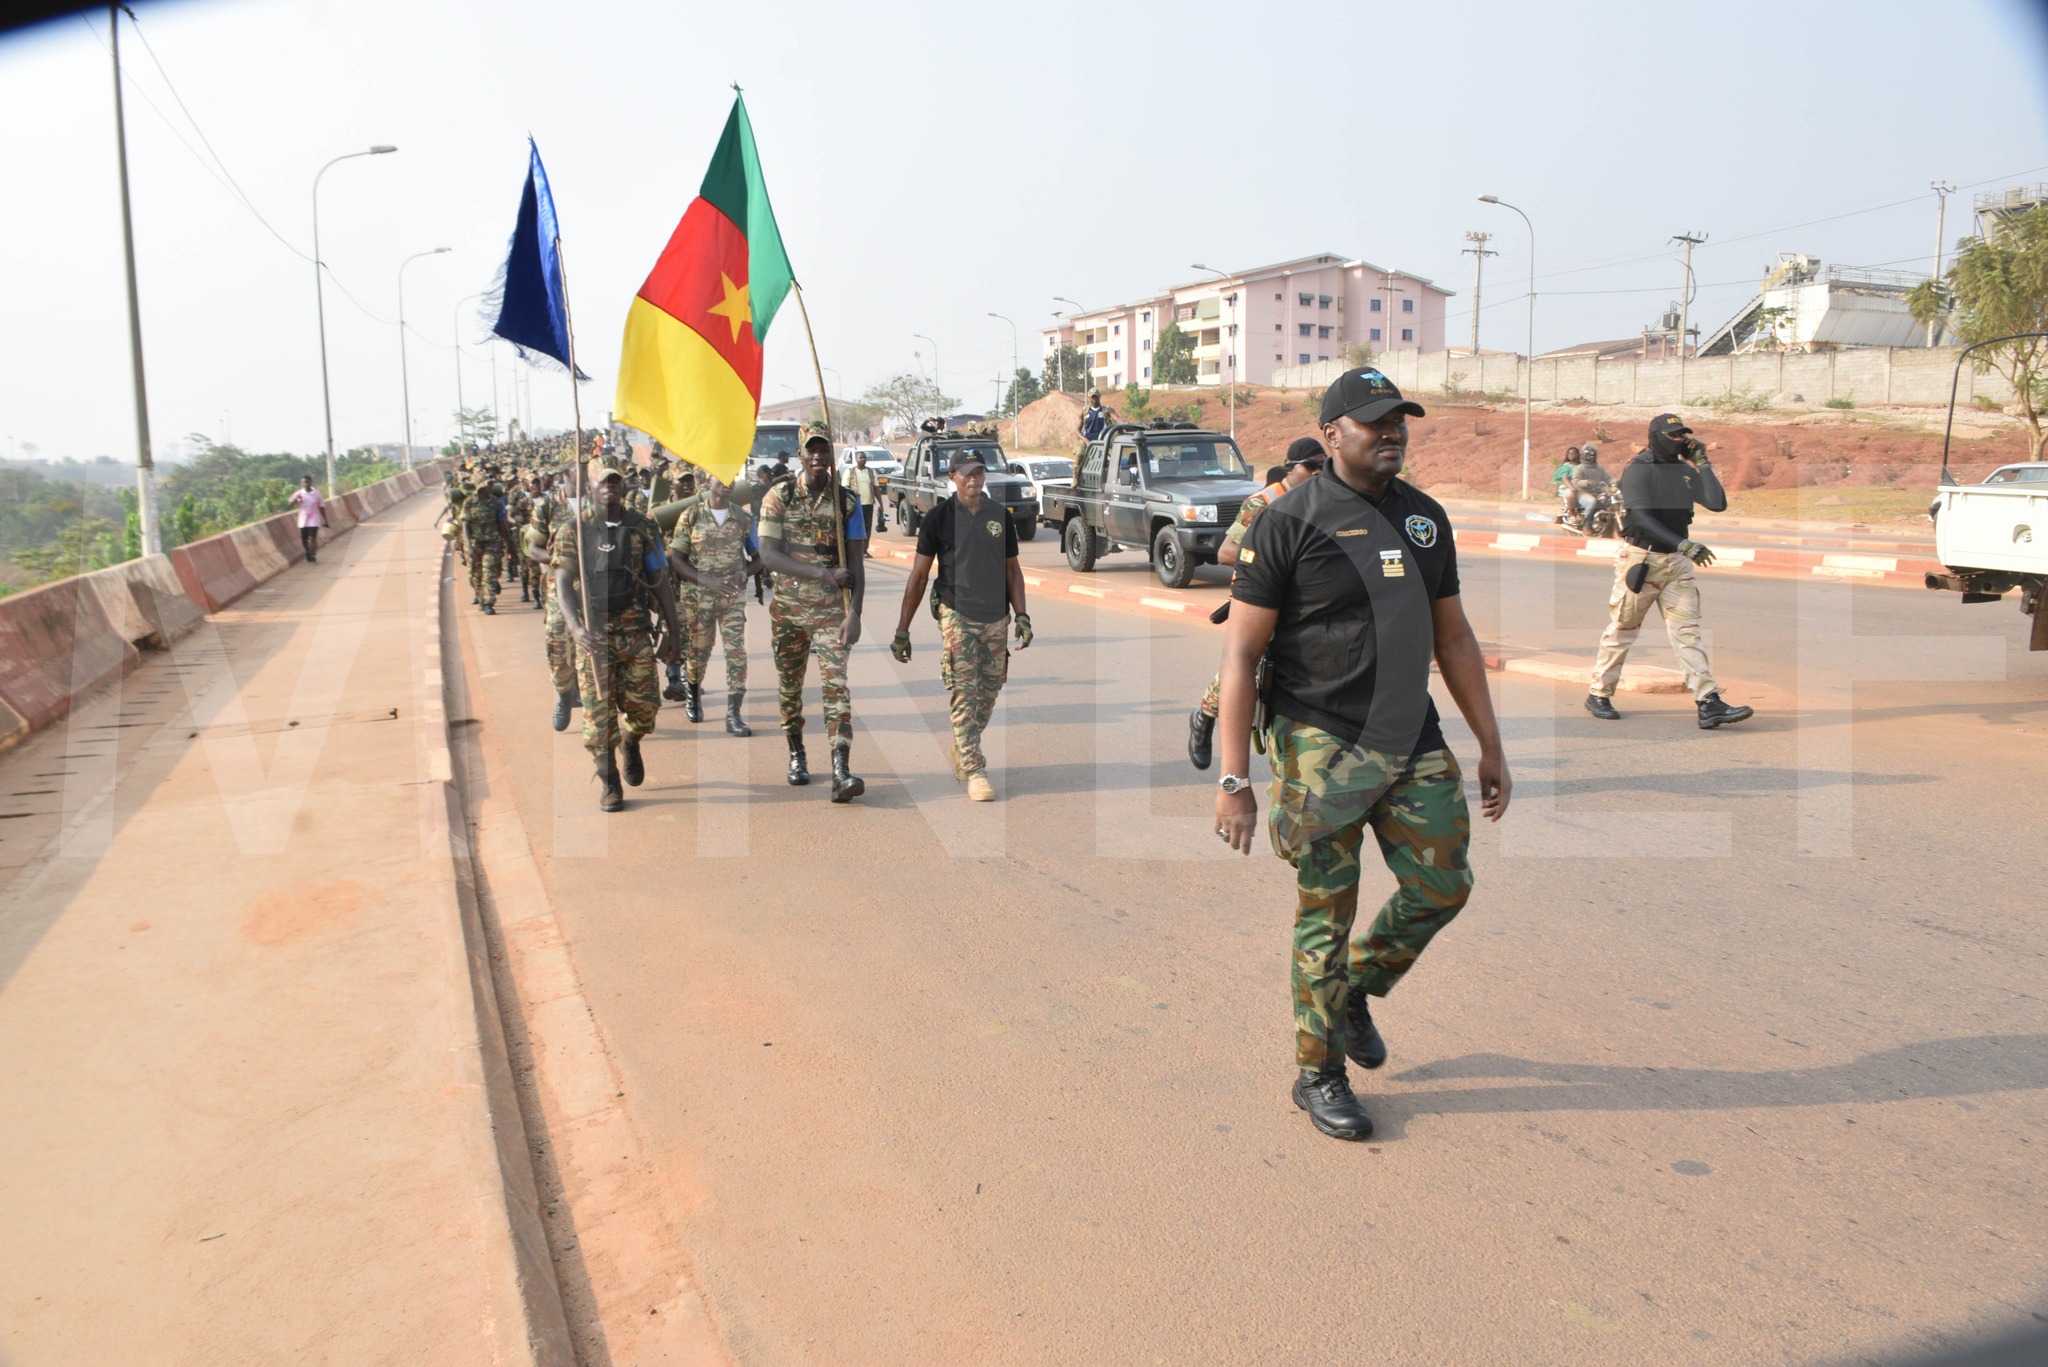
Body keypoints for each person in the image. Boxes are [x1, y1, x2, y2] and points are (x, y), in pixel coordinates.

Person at [1214, 367, 1511, 1144]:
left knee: (1444, 883)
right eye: (1376, 422)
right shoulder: (1288, 522)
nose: (1393, 434)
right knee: (1326, 912)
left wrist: (1489, 743)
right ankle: (1318, 1073)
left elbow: (1453, 636)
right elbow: (1241, 656)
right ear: (1334, 430)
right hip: (1320, 744)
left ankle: (1356, 990)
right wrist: (1234, 779)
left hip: (1412, 738)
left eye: (1400, 421)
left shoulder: (1425, 519)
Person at [1585, 414, 1755, 728]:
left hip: (1677, 564)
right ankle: (1599, 693)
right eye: (1673, 435)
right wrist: (1685, 544)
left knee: (1688, 633)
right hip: (1642, 559)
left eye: (1683, 435)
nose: (1679, 440)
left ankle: (1708, 703)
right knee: (1623, 630)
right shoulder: (1640, 468)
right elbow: (1643, 517)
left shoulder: (1684, 471)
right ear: (1656, 435)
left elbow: (1717, 504)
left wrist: (1703, 463)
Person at [889, 451, 1033, 801]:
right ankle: (975, 769)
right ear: (952, 476)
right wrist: (902, 630)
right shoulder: (938, 519)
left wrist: (1022, 615)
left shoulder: (999, 516)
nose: (975, 480)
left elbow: (1011, 569)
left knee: (989, 691)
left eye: (980, 473)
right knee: (965, 692)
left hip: (996, 615)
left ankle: (962, 745)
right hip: (957, 614)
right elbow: (920, 575)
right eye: (967, 474)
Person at [1189, 437, 1326, 768]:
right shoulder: (1262, 503)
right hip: (1257, 596)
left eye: (1325, 466)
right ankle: (1205, 717)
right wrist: (1277, 563)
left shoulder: (1320, 501)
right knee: (1245, 665)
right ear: (1293, 468)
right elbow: (1226, 552)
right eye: (1312, 466)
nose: (1320, 472)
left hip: (1298, 601)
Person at [553, 468, 684, 812]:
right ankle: (610, 781)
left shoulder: (641, 526)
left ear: (624, 486)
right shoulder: (574, 529)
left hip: (635, 632)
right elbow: (563, 582)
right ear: (590, 486)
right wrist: (576, 628)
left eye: (615, 480)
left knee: (645, 711)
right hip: (593, 638)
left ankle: (631, 740)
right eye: (602, 480)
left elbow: (659, 579)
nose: (609, 486)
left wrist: (673, 628)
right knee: (598, 719)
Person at [758, 430, 867, 802]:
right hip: (787, 611)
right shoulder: (780, 496)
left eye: (824, 449)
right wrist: (824, 574)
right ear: (800, 455)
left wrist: (854, 613)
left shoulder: (847, 503)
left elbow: (855, 565)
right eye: (812, 450)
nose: (818, 456)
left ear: (832, 455)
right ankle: (796, 752)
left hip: (831, 613)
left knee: (837, 687)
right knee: (790, 687)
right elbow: (769, 555)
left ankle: (841, 770)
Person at [665, 473, 758, 736]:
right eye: (721, 476)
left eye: (729, 477)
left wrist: (742, 574)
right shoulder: (690, 515)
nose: (726, 483)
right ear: (708, 482)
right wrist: (709, 582)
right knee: (698, 652)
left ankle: (734, 713)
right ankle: (693, 693)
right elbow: (678, 561)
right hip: (698, 599)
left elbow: (760, 557)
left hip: (732, 599)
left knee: (736, 654)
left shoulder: (743, 518)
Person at [464, 475, 515, 614]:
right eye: (489, 485)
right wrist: (468, 545)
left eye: (491, 485)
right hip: (475, 542)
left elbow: (500, 524)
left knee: (489, 571)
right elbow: (465, 524)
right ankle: (481, 597)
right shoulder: (469, 502)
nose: (491, 487)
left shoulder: (495, 502)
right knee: (475, 574)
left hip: (492, 542)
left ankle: (488, 603)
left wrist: (508, 542)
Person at [847, 451, 882, 558]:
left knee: (867, 527)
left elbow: (876, 489)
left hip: (868, 504)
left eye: (864, 458)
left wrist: (881, 504)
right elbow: (845, 489)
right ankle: (855, 550)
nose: (862, 459)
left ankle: (864, 550)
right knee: (856, 527)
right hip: (855, 505)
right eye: (860, 458)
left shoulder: (871, 472)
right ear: (856, 459)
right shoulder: (850, 472)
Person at [288, 476, 328, 563]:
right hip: (303, 519)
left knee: (312, 537)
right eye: (303, 482)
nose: (305, 484)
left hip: (314, 517)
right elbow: (290, 504)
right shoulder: (299, 493)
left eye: (307, 482)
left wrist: (325, 520)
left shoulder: (316, 493)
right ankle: (307, 551)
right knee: (304, 539)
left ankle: (313, 554)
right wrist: (295, 499)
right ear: (301, 483)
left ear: (310, 483)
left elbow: (321, 506)